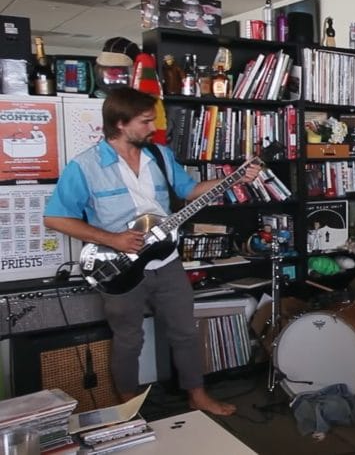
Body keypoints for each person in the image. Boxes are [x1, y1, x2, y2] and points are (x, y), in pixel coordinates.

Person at [43, 87, 260, 416]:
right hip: (119, 268)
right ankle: (128, 408)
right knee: (129, 340)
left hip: (168, 262)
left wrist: (232, 178)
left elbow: (189, 192)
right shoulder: (84, 167)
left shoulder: (159, 155)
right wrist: (112, 239)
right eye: (145, 122)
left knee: (185, 331)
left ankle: (197, 395)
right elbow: (55, 217)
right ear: (120, 123)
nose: (153, 128)